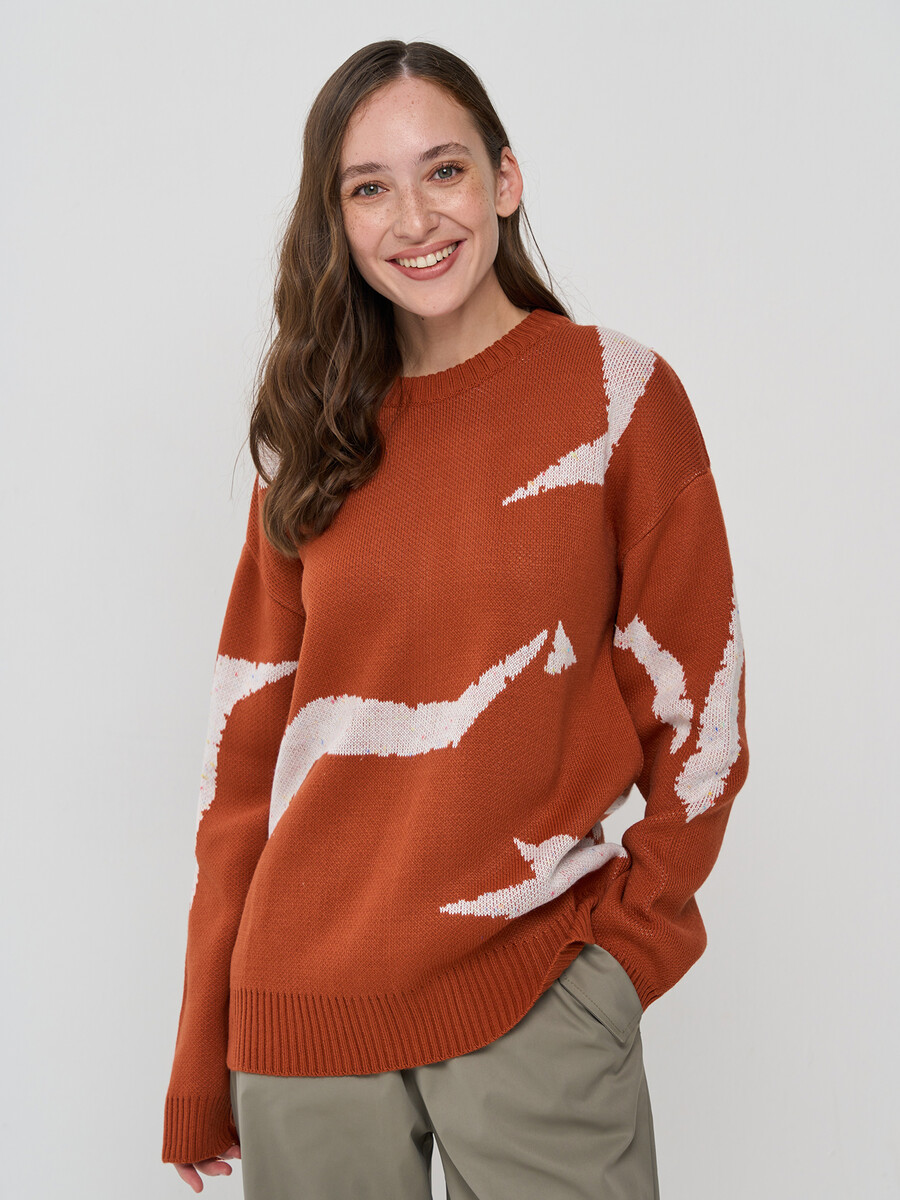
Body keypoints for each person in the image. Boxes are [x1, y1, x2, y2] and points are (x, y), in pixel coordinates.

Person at [162, 38, 749, 1199]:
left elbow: (701, 710)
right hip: (305, 1014)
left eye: (445, 171)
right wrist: (200, 1046)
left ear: (505, 181)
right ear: (335, 220)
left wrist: (620, 962)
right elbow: (244, 766)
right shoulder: (311, 436)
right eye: (368, 188)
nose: (415, 219)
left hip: (535, 998)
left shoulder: (615, 397)